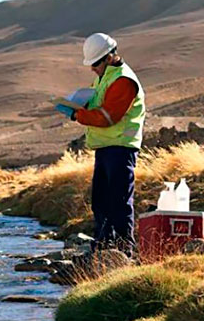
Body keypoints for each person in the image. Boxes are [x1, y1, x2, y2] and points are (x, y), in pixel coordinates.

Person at [56, 33, 146, 256]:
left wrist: (78, 115)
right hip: (106, 148)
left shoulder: (123, 80)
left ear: (109, 57)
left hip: (121, 148)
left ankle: (125, 252)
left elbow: (108, 117)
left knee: (119, 201)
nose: (92, 68)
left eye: (95, 63)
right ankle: (103, 249)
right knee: (102, 202)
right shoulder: (104, 78)